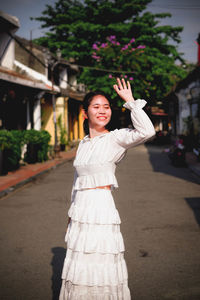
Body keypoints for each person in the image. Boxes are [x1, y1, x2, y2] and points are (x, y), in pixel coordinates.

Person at [59, 78, 155, 299]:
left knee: (101, 262)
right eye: (96, 106)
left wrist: (130, 101)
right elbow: (77, 183)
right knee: (81, 263)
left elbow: (147, 132)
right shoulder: (82, 144)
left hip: (101, 211)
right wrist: (70, 219)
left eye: (106, 107)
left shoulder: (116, 138)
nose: (103, 111)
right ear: (85, 113)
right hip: (80, 214)